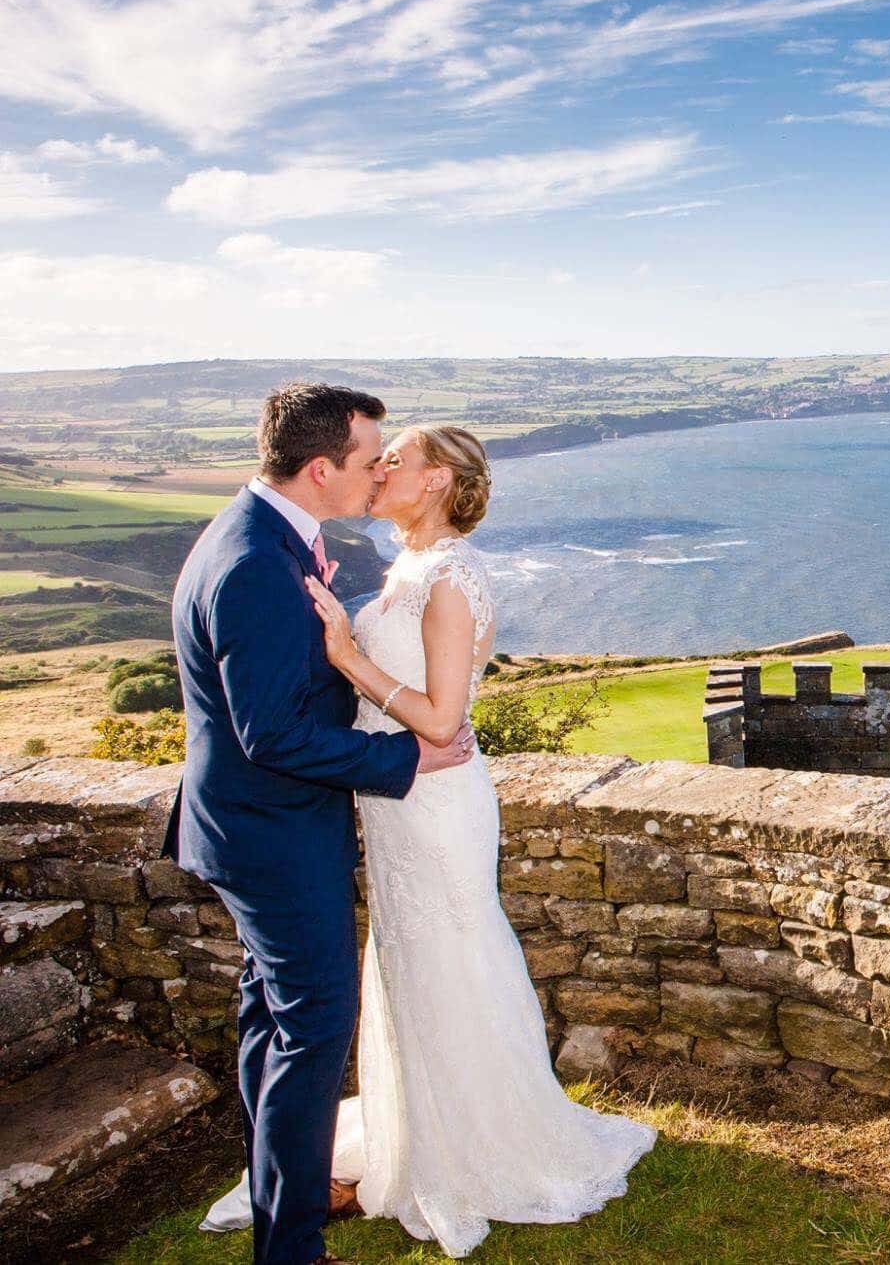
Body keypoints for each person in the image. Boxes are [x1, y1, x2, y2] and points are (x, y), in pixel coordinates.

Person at [203, 423, 654, 1259]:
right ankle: (418, 1131)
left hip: (437, 803)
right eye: (377, 460)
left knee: (452, 957)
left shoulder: (452, 575)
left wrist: (348, 654)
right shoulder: (405, 566)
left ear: (439, 480)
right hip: (395, 803)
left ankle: (484, 1145)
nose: (380, 471)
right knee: (408, 966)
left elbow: (443, 719)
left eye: (396, 461)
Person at [168, 383, 477, 1265]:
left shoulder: (263, 535)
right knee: (309, 1031)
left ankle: (292, 1197)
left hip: (250, 825)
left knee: (272, 1023)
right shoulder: (254, 563)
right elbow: (272, 732)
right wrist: (401, 760)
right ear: (319, 468)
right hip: (272, 832)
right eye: (369, 458)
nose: (381, 469)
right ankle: (294, 1249)